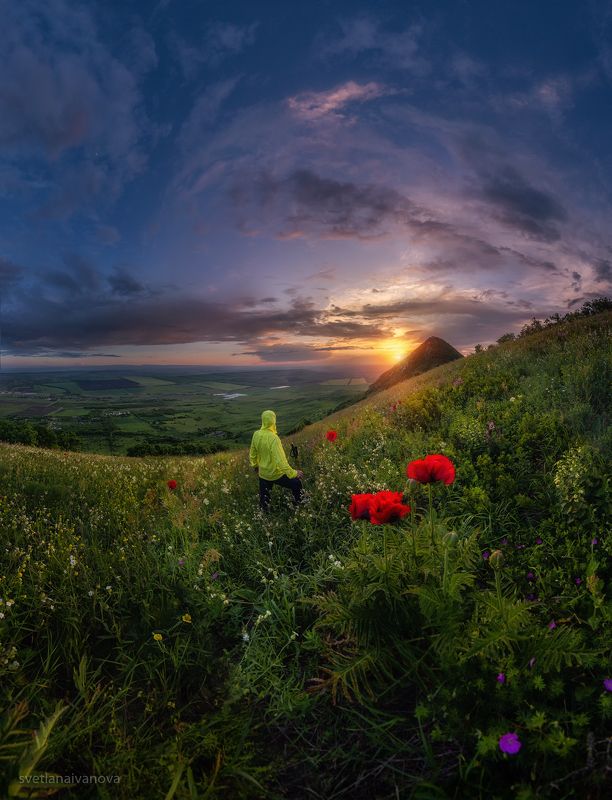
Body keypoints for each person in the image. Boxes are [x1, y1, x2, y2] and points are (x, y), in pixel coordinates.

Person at [250, 410, 304, 511]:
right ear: (273, 421)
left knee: (264, 500)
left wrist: (255, 466)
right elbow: (281, 462)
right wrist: (294, 473)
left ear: (263, 421)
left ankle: (264, 515)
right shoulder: (274, 438)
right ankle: (299, 505)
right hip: (276, 474)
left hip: (263, 474)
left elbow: (253, 454)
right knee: (297, 483)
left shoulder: (256, 434)